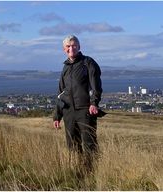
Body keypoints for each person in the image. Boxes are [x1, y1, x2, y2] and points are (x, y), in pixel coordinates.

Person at [53, 35, 102, 173]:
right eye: (68, 46)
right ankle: (77, 171)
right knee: (72, 144)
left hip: (85, 111)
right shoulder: (65, 68)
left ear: (79, 47)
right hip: (69, 112)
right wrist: (57, 116)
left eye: (74, 45)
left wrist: (94, 103)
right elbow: (60, 94)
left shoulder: (88, 62)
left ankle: (93, 172)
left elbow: (95, 86)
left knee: (89, 143)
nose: (71, 48)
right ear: (64, 49)